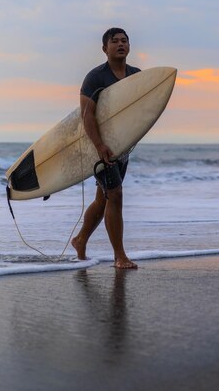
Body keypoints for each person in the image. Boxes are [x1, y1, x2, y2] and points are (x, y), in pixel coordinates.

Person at [71, 27, 140, 269]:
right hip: (97, 147)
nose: (121, 44)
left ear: (129, 47)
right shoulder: (96, 77)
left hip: (122, 148)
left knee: (104, 198)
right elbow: (86, 115)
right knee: (116, 194)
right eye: (115, 41)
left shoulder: (137, 76)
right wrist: (99, 145)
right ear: (105, 48)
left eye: (124, 41)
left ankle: (80, 240)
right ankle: (120, 256)